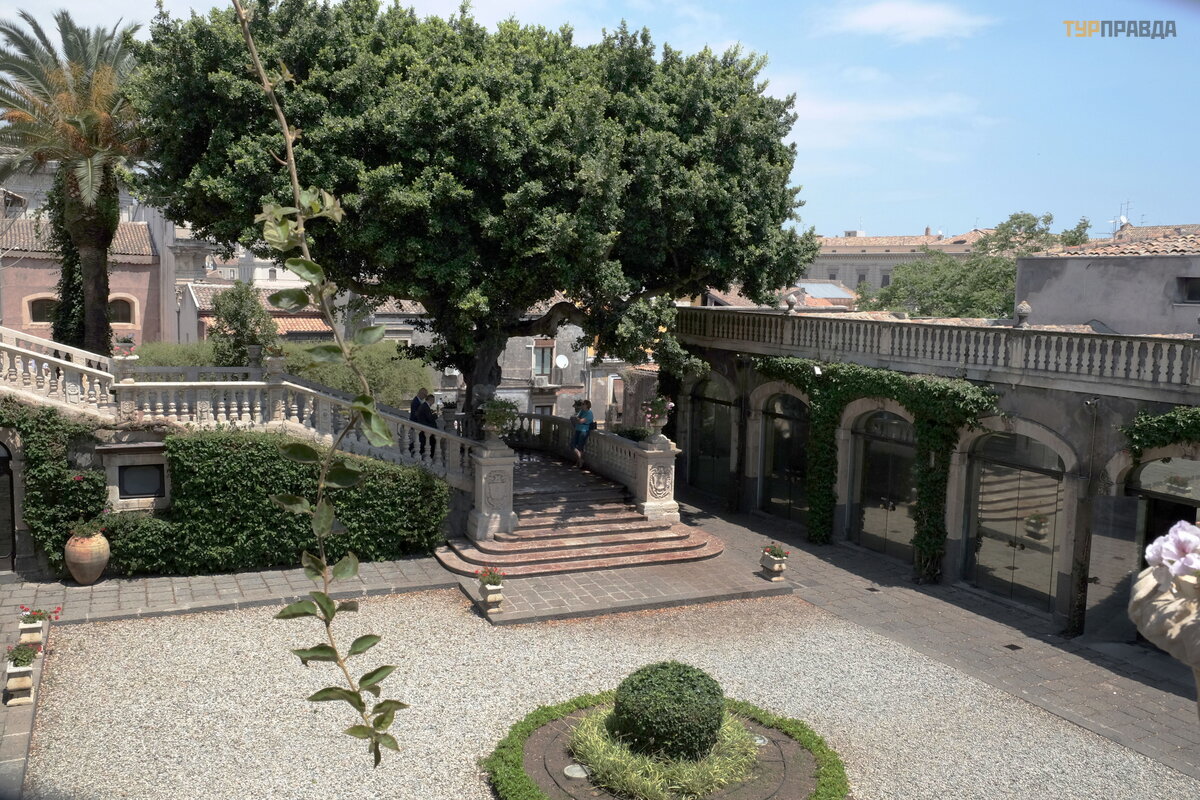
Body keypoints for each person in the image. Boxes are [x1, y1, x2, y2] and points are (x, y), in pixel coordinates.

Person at [570, 399, 594, 468]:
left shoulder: (589, 413)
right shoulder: (582, 411)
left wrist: (577, 419)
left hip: (584, 431)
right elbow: (576, 418)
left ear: (587, 405)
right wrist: (577, 419)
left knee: (580, 447)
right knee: (572, 445)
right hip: (578, 429)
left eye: (583, 404)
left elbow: (580, 421)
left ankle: (579, 462)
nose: (582, 405)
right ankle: (580, 460)